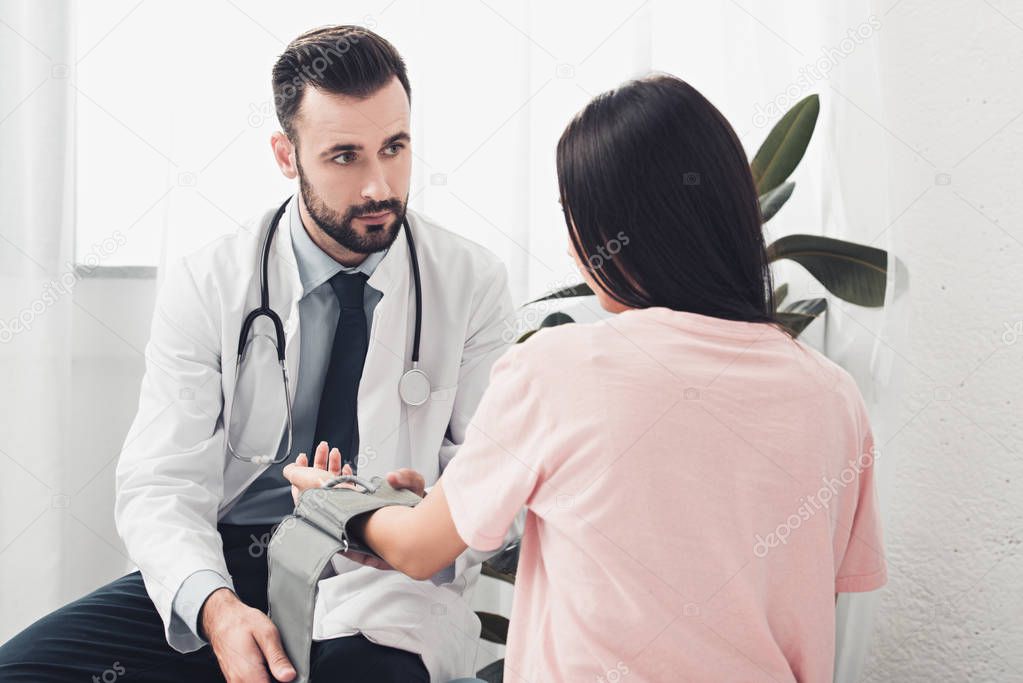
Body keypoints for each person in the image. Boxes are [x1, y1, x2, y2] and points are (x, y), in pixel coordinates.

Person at [286, 74, 888, 682]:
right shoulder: (833, 396)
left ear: (610, 234)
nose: (573, 250)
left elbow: (418, 549)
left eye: (572, 216)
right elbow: (803, 593)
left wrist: (336, 503)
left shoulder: (559, 366)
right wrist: (451, 498)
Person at [0, 25, 515, 682]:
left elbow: (491, 492)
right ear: (284, 153)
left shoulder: (470, 282)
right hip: (233, 564)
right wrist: (216, 608)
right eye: (344, 156)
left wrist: (416, 514)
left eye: (394, 147)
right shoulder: (210, 279)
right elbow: (162, 481)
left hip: (377, 575)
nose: (378, 186)